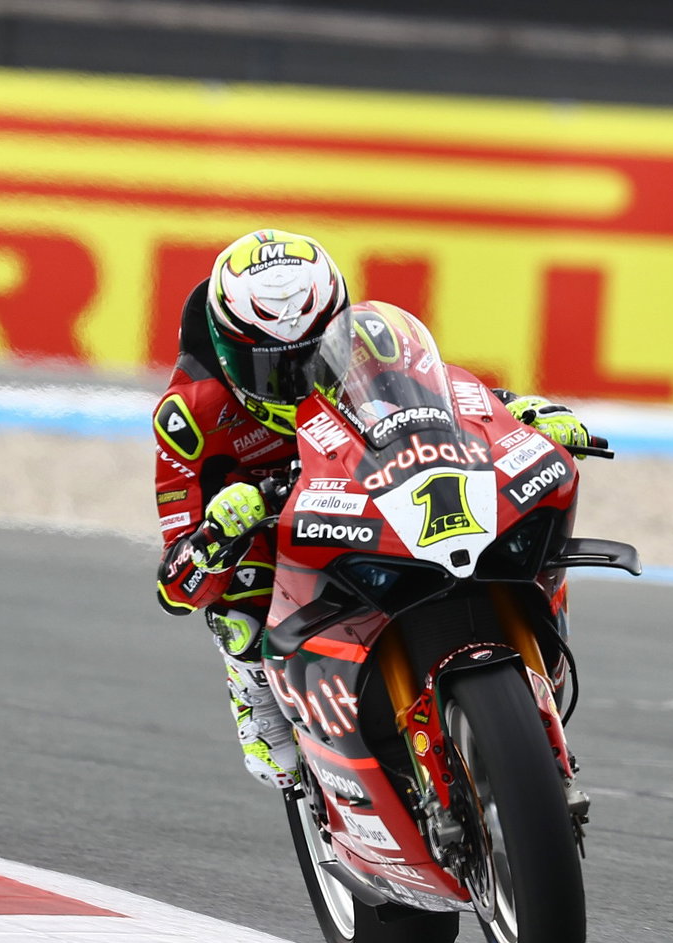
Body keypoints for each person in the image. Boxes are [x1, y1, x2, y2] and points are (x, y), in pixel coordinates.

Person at [153, 229, 589, 789]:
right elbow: (175, 587)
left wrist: (522, 410)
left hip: (368, 483)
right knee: (240, 594)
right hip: (280, 523)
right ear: (228, 348)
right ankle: (253, 687)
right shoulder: (190, 415)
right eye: (271, 367)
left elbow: (453, 398)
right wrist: (218, 531)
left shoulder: (372, 343)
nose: (293, 383)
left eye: (312, 357)